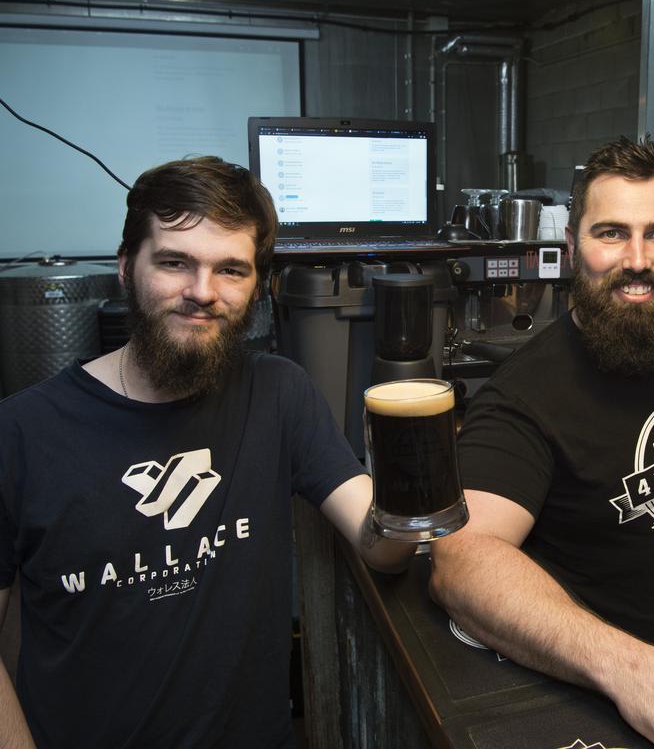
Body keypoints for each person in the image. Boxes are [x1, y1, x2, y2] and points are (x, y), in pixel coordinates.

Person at [0, 156, 415, 749]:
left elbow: (382, 546)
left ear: (257, 286)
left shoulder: (278, 393)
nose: (203, 293)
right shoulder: (19, 434)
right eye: (175, 262)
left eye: (231, 270)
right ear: (126, 268)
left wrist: (420, 478)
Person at [429, 137, 654, 749]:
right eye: (612, 233)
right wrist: (633, 670)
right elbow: (462, 559)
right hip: (600, 697)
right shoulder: (526, 393)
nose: (638, 258)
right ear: (572, 248)